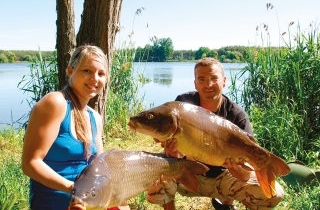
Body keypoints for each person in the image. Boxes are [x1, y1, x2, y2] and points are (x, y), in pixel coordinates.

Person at [146, 57, 284, 210]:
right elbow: (175, 151)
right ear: (195, 83)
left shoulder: (237, 115)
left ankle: (225, 202)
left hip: (223, 178)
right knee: (158, 171)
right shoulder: (182, 105)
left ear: (224, 81)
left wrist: (238, 171)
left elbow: (245, 175)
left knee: (274, 194)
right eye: (202, 79)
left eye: (213, 78)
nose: (208, 84)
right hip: (189, 174)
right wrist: (173, 152)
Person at [21, 45, 130, 210]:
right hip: (53, 204)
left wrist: (115, 196)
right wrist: (76, 191)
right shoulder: (55, 103)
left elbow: (98, 168)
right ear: (70, 70)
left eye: (101, 74)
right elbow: (31, 163)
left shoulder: (95, 117)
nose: (95, 79)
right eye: (87, 71)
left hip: (87, 204)